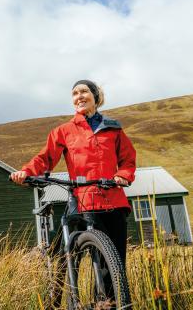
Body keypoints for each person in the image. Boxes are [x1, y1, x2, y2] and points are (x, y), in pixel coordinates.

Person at [10, 79, 136, 265]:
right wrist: (26, 172)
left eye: (83, 92)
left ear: (96, 96)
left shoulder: (113, 129)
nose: (79, 97)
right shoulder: (64, 131)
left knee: (117, 264)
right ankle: (71, 289)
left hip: (114, 200)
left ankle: (113, 295)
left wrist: (122, 176)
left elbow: (128, 159)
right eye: (74, 94)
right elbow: (45, 158)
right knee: (88, 261)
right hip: (85, 201)